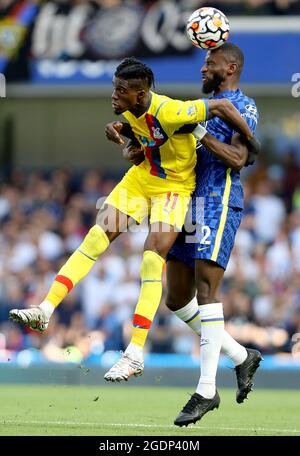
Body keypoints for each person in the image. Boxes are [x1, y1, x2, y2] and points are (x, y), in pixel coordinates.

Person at [9, 56, 255, 383]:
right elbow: (137, 149)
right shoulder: (128, 110)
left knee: (152, 258)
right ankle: (45, 310)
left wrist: (252, 142)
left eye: (121, 90)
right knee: (95, 238)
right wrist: (123, 140)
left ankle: (135, 352)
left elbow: (222, 106)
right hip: (140, 180)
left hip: (175, 189)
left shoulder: (171, 110)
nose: (114, 95)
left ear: (140, 95)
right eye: (115, 87)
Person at [107, 44, 262, 425]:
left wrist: (200, 134)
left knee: (208, 293)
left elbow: (240, 158)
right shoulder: (195, 106)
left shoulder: (244, 106)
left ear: (229, 67)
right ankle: (242, 356)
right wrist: (130, 139)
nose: (202, 69)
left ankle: (206, 390)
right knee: (177, 299)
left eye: (209, 64)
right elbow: (155, 145)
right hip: (185, 199)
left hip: (217, 199)